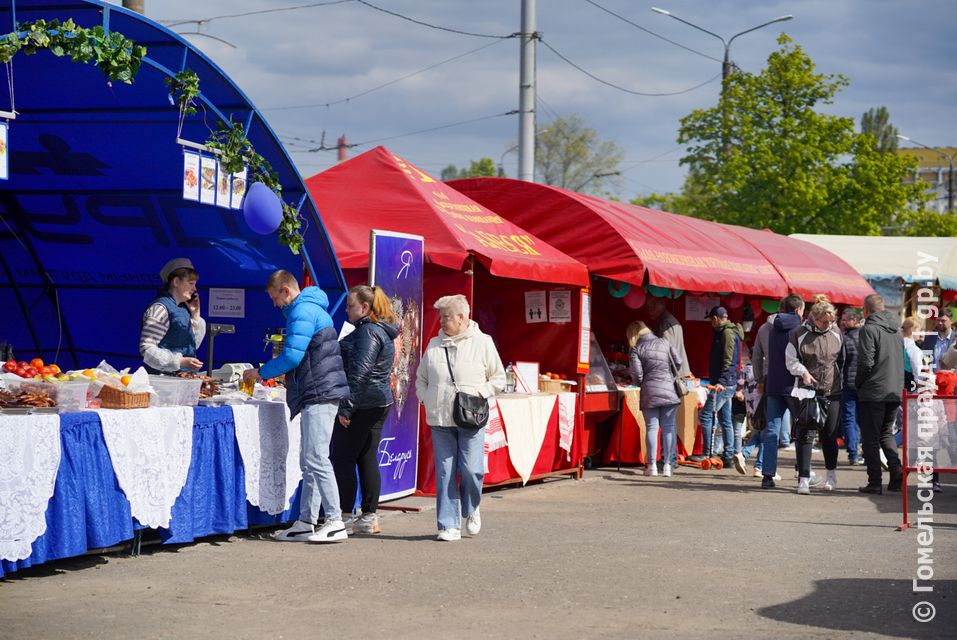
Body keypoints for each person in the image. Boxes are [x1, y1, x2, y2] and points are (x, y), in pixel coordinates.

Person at [243, 270, 351, 542]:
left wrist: (261, 372)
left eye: (274, 297)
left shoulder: (301, 311)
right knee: (310, 461)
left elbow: (291, 356)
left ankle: (336, 521)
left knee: (316, 458)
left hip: (319, 392)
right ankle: (306, 521)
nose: (274, 304)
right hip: (319, 391)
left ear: (286, 291)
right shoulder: (310, 308)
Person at [415, 294, 505, 542]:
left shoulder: (483, 342)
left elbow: (499, 379)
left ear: (463, 318)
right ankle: (448, 524)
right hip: (440, 418)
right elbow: (420, 378)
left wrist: (480, 393)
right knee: (444, 471)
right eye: (441, 317)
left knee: (471, 469)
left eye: (447, 317)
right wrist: (425, 398)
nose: (442, 321)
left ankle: (471, 507)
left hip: (471, 417)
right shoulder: (434, 344)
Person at [331, 285, 399, 535]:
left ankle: (346, 516)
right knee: (366, 456)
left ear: (365, 307)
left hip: (365, 402)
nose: (347, 309)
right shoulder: (376, 330)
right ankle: (368, 516)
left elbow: (360, 374)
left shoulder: (368, 332)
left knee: (343, 457)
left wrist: (347, 409)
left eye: (350, 305)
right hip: (377, 400)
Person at [786, 300, 844, 494]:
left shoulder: (836, 333)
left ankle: (831, 475)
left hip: (832, 390)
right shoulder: (799, 334)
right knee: (806, 435)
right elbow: (790, 360)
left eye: (831, 321)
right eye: (824, 322)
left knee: (829, 434)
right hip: (806, 390)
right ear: (814, 318)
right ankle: (803, 479)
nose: (828, 325)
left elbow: (841, 360)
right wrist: (802, 372)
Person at [856, 294, 905, 495]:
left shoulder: (869, 329)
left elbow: (866, 362)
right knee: (885, 433)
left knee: (870, 438)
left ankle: (875, 481)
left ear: (865, 310)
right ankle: (896, 470)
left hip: (874, 390)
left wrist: (858, 383)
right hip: (893, 389)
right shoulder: (896, 331)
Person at [759, 294, 805, 489]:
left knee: (771, 431)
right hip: (794, 385)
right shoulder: (800, 328)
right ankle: (802, 471)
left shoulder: (771, 328)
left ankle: (767, 475)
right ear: (797, 310)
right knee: (802, 429)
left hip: (774, 384)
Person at [626, 321, 682, 478]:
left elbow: (637, 376)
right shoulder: (665, 342)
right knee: (669, 428)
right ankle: (668, 466)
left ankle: (652, 466)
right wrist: (667, 375)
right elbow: (678, 362)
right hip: (670, 390)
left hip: (649, 392)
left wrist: (642, 382)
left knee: (652, 428)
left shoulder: (636, 349)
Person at [697, 306, 743, 469]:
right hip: (727, 382)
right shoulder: (726, 332)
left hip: (724, 384)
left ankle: (707, 453)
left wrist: (722, 382)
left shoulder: (727, 333)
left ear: (716, 318)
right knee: (725, 420)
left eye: (711, 319)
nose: (710, 323)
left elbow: (730, 360)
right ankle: (728, 456)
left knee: (705, 415)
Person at [140, 258, 205, 374]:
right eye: (191, 283)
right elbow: (147, 349)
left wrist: (195, 316)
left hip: (181, 380)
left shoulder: (183, 310)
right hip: (163, 381)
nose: (194, 289)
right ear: (176, 282)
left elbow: (191, 345)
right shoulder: (160, 308)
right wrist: (179, 361)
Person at [839, 308, 864, 465]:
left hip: (848, 384)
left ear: (853, 321)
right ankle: (863, 451)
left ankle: (853, 453)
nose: (842, 322)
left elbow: (841, 363)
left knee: (849, 418)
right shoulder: (866, 336)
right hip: (864, 384)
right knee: (862, 419)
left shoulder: (845, 339)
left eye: (845, 320)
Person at [644, 296, 691, 378]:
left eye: (650, 308)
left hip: (673, 373)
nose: (648, 312)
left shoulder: (665, 323)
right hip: (676, 371)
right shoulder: (669, 320)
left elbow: (665, 352)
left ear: (658, 306)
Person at [901, 317, 925, 392]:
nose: (921, 334)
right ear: (912, 330)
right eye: (919, 330)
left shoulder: (895, 345)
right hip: (909, 392)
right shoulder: (914, 349)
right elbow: (919, 374)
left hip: (895, 389)